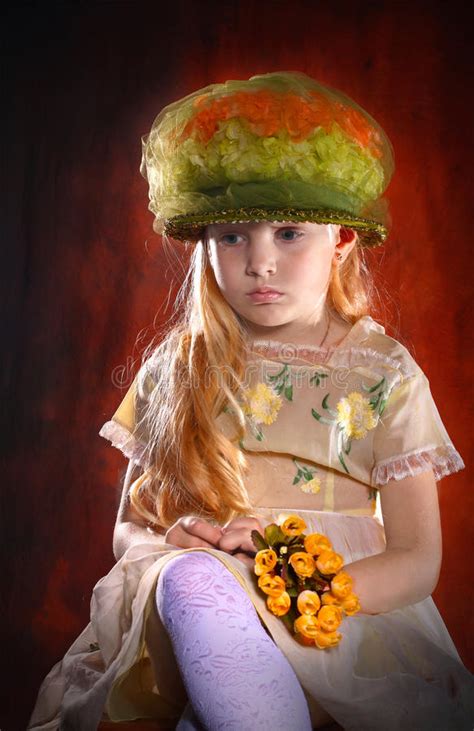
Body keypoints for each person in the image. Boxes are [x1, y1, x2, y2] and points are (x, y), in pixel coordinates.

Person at [28, 71, 474, 731]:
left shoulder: (382, 373)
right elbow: (129, 528)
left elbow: (417, 559)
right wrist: (177, 538)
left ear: (342, 238)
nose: (259, 261)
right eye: (232, 236)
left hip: (330, 617)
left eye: (289, 232)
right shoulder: (176, 369)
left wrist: (307, 587)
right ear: (202, 244)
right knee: (189, 581)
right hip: (196, 607)